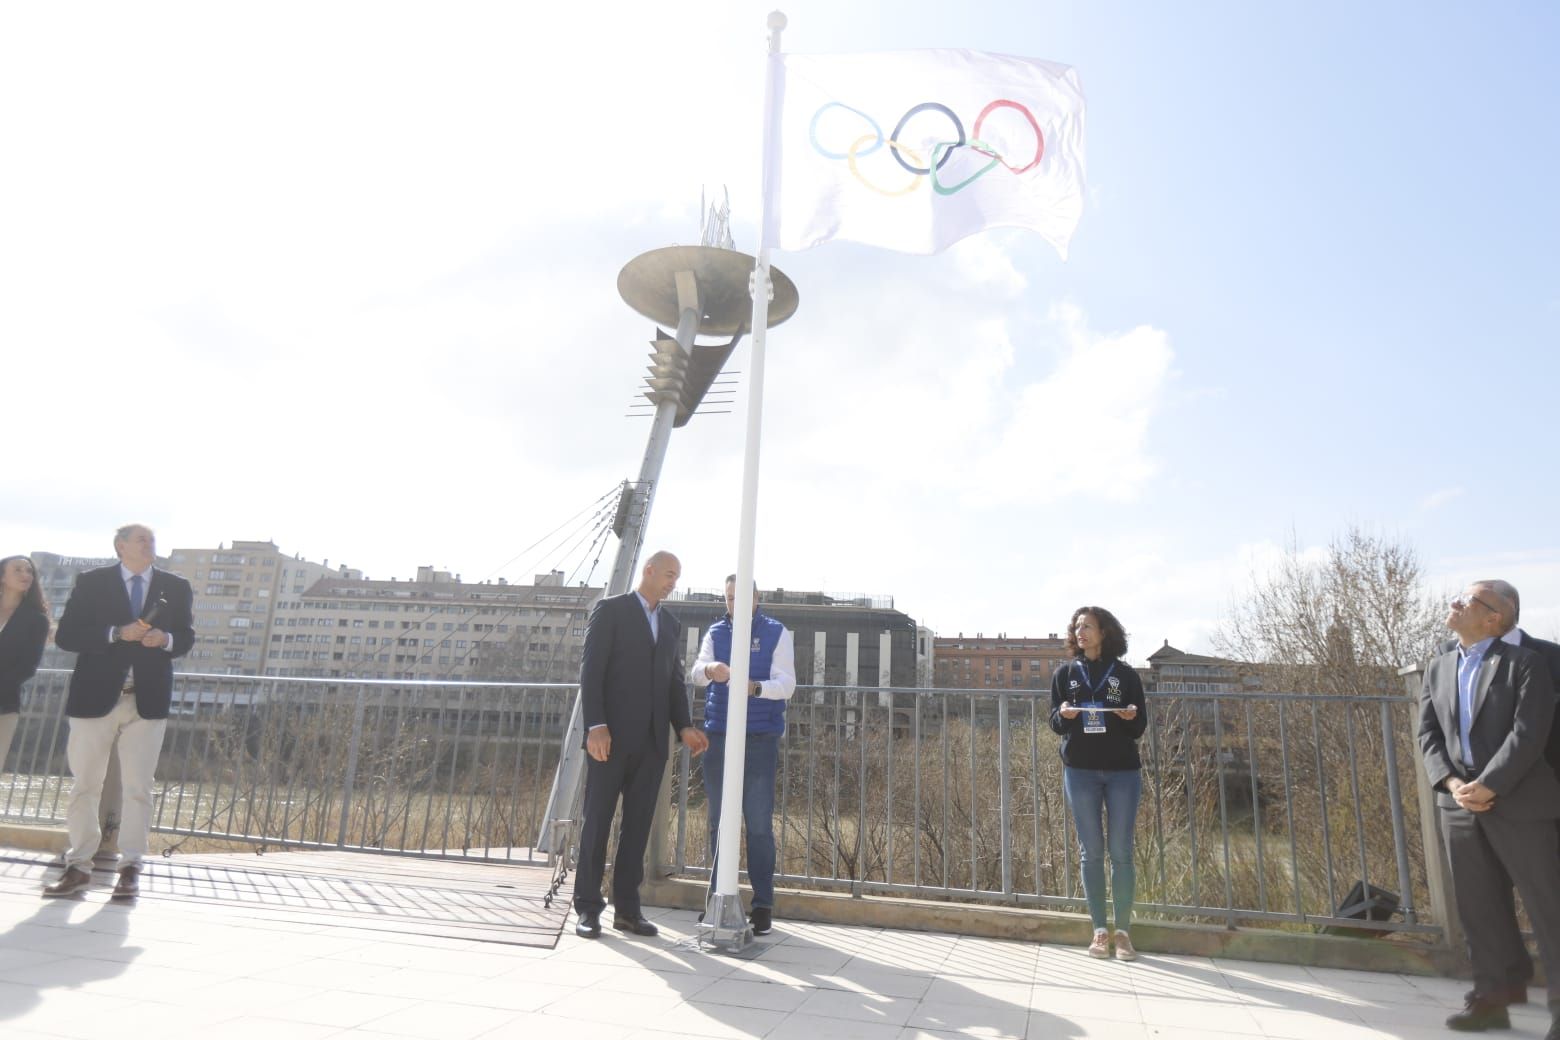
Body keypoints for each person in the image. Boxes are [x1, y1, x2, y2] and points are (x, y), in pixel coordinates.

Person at [1419, 581, 1560, 1038]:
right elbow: (1428, 736)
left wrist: (1491, 783)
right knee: (1480, 910)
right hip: (1458, 805)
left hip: (1523, 801)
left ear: (1494, 617)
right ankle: (1491, 1001)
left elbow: (1529, 732)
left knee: (1549, 908)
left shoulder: (1530, 662)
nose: (1454, 601)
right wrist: (1456, 783)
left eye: (1468, 599)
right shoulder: (1439, 664)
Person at [44, 524, 194, 900]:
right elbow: (67, 636)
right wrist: (115, 633)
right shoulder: (92, 582)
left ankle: (130, 868)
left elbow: (186, 637)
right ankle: (78, 866)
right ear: (120, 546)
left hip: (148, 700)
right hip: (94, 698)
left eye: (152, 539)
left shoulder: (175, 586)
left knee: (139, 787)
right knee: (85, 786)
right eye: (141, 539)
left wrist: (167, 640)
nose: (150, 544)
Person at [572, 550, 708, 939]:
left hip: (651, 744)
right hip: (609, 739)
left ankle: (627, 910)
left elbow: (671, 681)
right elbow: (591, 669)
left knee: (637, 829)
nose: (673, 582)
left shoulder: (670, 623)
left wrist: (682, 726)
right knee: (597, 822)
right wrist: (595, 726)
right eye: (668, 574)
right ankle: (588, 909)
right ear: (648, 570)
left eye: (676, 577)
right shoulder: (610, 610)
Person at [689, 575, 796, 936]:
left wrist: (755, 687)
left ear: (757, 598)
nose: (734, 604)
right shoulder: (716, 632)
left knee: (759, 823)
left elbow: (787, 685)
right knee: (719, 821)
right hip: (720, 736)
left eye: (741, 597)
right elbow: (696, 673)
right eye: (730, 598)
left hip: (760, 738)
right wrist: (709, 669)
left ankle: (762, 904)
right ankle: (718, 899)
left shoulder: (776, 633)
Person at [1049, 605, 1148, 961]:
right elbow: (1055, 723)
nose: (1080, 632)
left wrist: (1128, 715)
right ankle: (1099, 932)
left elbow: (1139, 726)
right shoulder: (1065, 673)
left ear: (1104, 632)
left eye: (1087, 626)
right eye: (1076, 627)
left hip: (1122, 772)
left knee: (1121, 851)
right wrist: (1063, 715)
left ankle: (1123, 933)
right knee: (1090, 852)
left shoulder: (1125, 675)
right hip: (1080, 771)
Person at [0, 555, 51, 766]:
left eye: (29, 571)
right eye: (18, 569)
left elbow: (27, 667)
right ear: (2, 577)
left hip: (4, 703)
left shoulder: (36, 620)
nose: (25, 574)